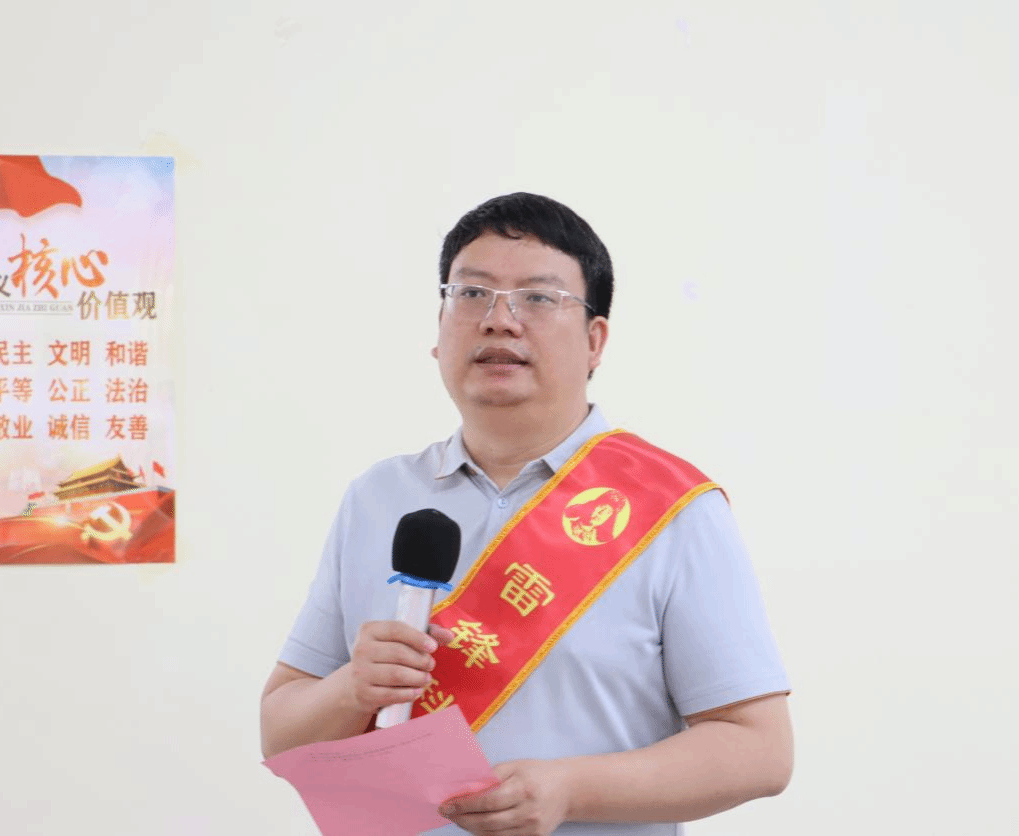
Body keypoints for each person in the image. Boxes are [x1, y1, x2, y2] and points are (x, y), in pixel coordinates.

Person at [261, 193, 793, 836]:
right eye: (471, 294)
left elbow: (760, 749)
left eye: (538, 298)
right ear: (439, 328)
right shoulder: (378, 497)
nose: (499, 320)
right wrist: (351, 688)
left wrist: (572, 790)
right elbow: (280, 733)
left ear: (595, 341)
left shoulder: (672, 508)